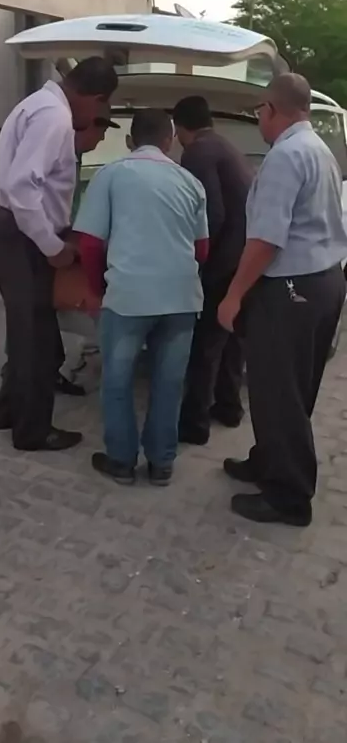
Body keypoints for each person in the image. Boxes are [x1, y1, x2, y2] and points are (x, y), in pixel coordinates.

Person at [218, 73, 347, 526]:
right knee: (293, 387)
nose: (259, 120)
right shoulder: (319, 149)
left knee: (278, 391)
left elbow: (266, 240)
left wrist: (234, 295)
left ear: (271, 109)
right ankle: (270, 460)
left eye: (260, 111)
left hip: (292, 288)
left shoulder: (285, 156)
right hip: (324, 280)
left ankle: (289, 496)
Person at [0, 57, 118, 452]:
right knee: (37, 340)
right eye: (102, 107)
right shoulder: (54, 116)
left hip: (11, 230)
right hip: (20, 235)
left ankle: (8, 412)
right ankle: (32, 431)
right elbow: (22, 189)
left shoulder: (38, 104)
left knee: (26, 332)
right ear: (95, 97)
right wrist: (53, 247)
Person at [74, 109, 209, 486]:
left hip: (128, 297)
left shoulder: (111, 175)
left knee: (117, 381)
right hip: (181, 298)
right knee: (169, 383)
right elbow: (202, 249)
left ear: (130, 140)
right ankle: (161, 464)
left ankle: (121, 460)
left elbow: (90, 243)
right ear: (169, 140)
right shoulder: (190, 182)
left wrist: (94, 289)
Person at [173, 95, 252, 445]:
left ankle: (195, 424)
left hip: (222, 260)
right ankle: (229, 406)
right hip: (244, 257)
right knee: (230, 337)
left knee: (205, 343)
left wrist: (199, 260)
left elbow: (212, 214)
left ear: (179, 127)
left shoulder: (198, 152)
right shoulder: (225, 146)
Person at [57, 104, 120, 396]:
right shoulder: (60, 155)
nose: (103, 139)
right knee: (37, 309)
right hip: (47, 240)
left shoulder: (75, 157)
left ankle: (48, 366)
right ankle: (31, 370)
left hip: (62, 239)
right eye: (102, 131)